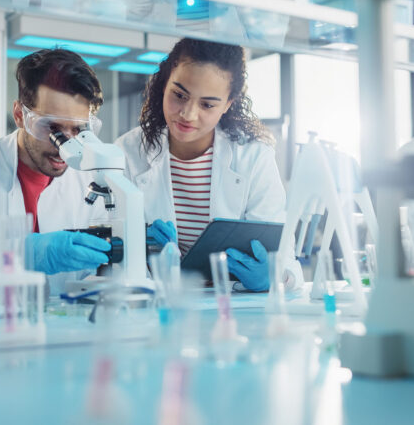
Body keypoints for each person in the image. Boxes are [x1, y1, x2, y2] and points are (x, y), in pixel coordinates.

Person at [115, 38, 303, 292]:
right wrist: (136, 248)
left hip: (233, 308)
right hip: (158, 303)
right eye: (179, 95)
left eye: (207, 104)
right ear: (164, 84)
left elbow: (283, 257)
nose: (188, 114)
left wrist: (275, 277)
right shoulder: (125, 153)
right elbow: (110, 254)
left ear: (228, 104)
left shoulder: (254, 157)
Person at [0, 49, 111, 295]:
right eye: (52, 128)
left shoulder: (89, 179)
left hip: (67, 326)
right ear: (19, 115)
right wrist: (29, 252)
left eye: (79, 130)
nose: (65, 148)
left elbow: (98, 273)